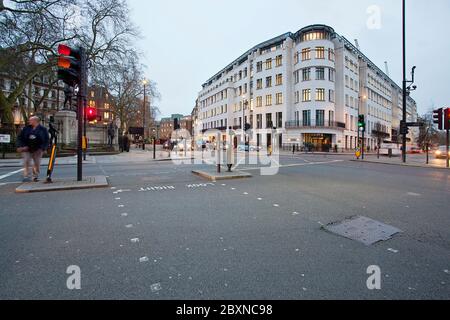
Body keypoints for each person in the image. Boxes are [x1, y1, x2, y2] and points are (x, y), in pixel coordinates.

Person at [17, 116, 49, 182]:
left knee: (36, 163)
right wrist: (21, 146)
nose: (29, 121)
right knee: (26, 161)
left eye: (31, 120)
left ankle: (35, 176)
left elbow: (46, 140)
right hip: (27, 148)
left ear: (35, 121)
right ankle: (26, 176)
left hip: (38, 149)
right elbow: (20, 138)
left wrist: (43, 148)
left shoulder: (43, 129)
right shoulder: (26, 128)